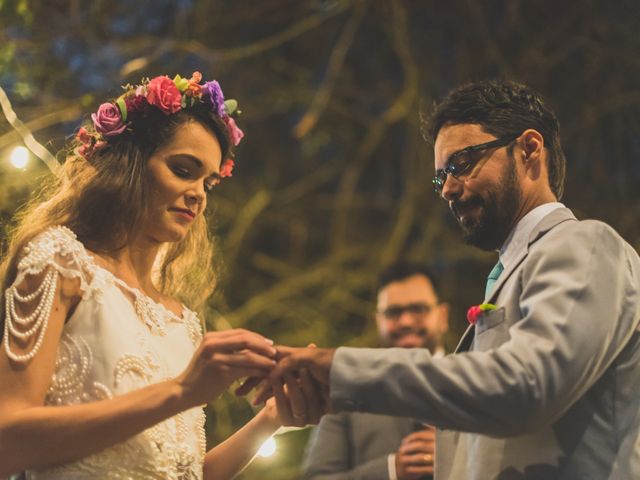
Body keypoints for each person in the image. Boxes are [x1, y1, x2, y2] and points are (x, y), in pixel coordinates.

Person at [252, 80, 640, 479]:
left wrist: (343, 370)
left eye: (462, 164)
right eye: (440, 178)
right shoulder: (515, 271)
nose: (448, 190)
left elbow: (528, 386)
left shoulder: (584, 243)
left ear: (528, 150)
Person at [0, 71, 310, 479]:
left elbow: (181, 472)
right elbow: (7, 443)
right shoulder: (61, 261)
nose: (199, 193)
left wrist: (271, 420)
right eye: (183, 170)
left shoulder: (181, 321)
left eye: (209, 182)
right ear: (128, 165)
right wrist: (181, 391)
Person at [302, 263, 449, 480]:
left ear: (442, 316)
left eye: (418, 309)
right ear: (379, 320)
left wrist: (455, 455)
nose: (406, 321)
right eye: (393, 312)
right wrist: (391, 471)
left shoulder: (479, 381)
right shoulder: (346, 391)